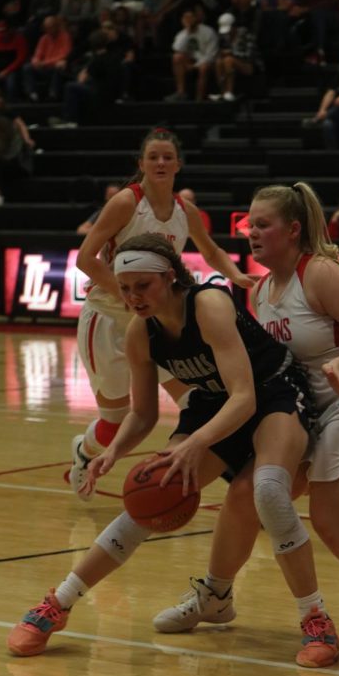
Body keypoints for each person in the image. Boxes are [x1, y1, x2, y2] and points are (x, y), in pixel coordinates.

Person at [7, 232, 338, 670]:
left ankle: (316, 619)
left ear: (169, 277)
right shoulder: (140, 333)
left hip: (273, 393)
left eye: (143, 286)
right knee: (153, 494)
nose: (133, 297)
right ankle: (57, 604)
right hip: (215, 404)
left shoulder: (209, 304)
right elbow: (142, 414)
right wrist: (113, 451)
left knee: (267, 491)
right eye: (125, 288)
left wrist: (196, 443)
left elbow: (245, 398)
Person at [154, 181, 339, 658]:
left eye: (263, 224)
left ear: (293, 230)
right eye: (248, 223)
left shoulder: (322, 273)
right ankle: (215, 596)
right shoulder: (263, 290)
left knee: (332, 521)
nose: (251, 232)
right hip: (306, 408)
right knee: (244, 493)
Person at [69, 127, 256, 502]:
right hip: (107, 318)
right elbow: (86, 259)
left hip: (156, 323)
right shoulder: (126, 202)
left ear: (178, 165)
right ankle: (83, 453)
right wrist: (128, 296)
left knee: (196, 402)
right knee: (114, 421)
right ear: (140, 164)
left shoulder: (186, 211)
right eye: (153, 156)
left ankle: (238, 481)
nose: (160, 162)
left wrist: (236, 275)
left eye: (167, 157)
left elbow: (211, 249)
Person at [165, 6, 218, 102]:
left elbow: (211, 55)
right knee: (177, 57)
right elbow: (177, 49)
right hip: (190, 62)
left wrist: (195, 66)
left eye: (190, 17)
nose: (188, 20)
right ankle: (181, 93)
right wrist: (188, 32)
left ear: (196, 18)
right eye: (185, 18)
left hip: (207, 62)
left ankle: (199, 99)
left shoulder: (208, 32)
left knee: (203, 68)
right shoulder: (182, 34)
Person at [21, 14, 72, 102]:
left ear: (56, 26)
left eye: (51, 27)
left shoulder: (65, 36)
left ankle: (53, 95)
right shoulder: (44, 38)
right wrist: (36, 61)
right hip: (44, 67)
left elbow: (64, 55)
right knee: (27, 67)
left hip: (55, 67)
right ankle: (32, 94)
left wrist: (44, 63)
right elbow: (37, 54)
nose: (49, 30)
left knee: (59, 66)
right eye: (46, 28)